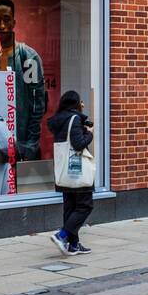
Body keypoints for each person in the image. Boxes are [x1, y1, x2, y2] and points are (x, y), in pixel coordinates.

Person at [0, 0, 47, 161]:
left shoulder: (27, 57)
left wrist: (29, 147)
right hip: (0, 147)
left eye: (6, 20)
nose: (2, 26)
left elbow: (37, 105)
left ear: (14, 23)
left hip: (23, 148)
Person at [49, 90, 94, 255]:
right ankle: (62, 235)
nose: (83, 104)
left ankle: (73, 244)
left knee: (70, 207)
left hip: (64, 172)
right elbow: (78, 144)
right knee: (84, 205)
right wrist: (89, 134)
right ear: (75, 104)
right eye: (81, 101)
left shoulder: (60, 120)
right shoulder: (74, 119)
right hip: (77, 171)